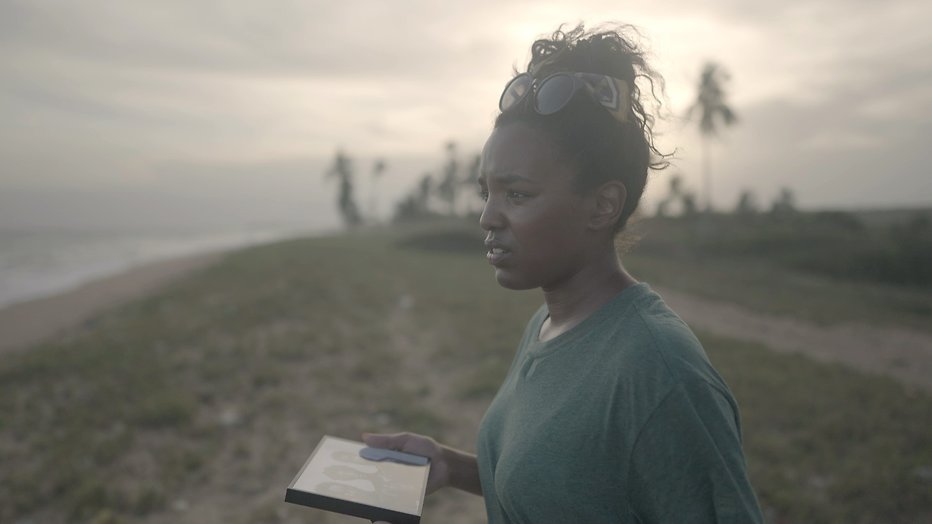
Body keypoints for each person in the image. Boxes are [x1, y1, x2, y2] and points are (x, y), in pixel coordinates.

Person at [363, 23, 764, 523]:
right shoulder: (549, 324)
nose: (488, 217)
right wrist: (448, 466)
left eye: (518, 195)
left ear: (601, 205)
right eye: (486, 191)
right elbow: (568, 490)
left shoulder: (661, 374)